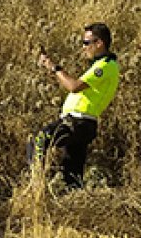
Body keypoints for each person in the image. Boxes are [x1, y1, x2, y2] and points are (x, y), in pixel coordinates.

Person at [32, 23, 120, 189]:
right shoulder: (101, 64)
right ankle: (73, 197)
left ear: (99, 43)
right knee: (72, 174)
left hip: (79, 121)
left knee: (40, 139)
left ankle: (35, 186)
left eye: (86, 43)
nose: (83, 47)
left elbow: (73, 86)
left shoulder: (105, 66)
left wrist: (54, 67)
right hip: (81, 123)